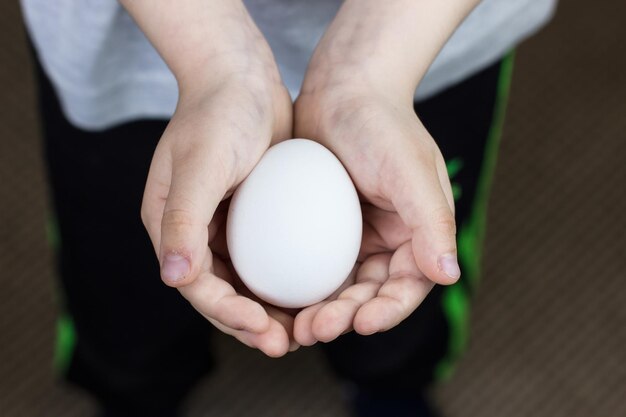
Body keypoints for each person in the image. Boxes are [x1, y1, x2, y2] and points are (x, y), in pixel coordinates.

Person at [21, 0, 557, 416]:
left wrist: (372, 67)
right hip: (135, 52)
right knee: (125, 300)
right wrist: (214, 60)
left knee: (405, 284)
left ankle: (390, 385)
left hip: (424, 42)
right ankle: (135, 395)